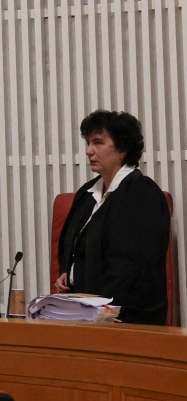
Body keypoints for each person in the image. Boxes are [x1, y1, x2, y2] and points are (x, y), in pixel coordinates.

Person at [55, 110, 170, 325]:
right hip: (86, 310)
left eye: (98, 142)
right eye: (88, 143)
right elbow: (71, 243)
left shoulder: (141, 193)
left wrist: (97, 307)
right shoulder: (87, 193)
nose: (89, 151)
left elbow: (133, 266)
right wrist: (66, 272)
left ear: (122, 149)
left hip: (126, 316)